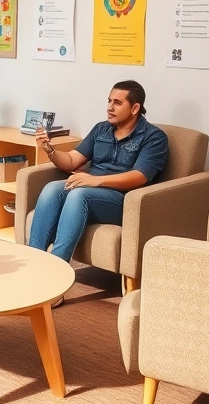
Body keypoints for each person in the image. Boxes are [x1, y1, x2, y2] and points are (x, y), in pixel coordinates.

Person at [28, 80, 168, 272]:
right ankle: (33, 263)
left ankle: (57, 273)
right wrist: (49, 149)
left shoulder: (153, 137)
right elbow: (71, 161)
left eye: (117, 103)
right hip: (91, 190)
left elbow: (140, 176)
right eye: (109, 101)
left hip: (123, 200)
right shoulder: (101, 129)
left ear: (135, 108)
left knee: (79, 195)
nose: (109, 108)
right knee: (52, 188)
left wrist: (96, 180)